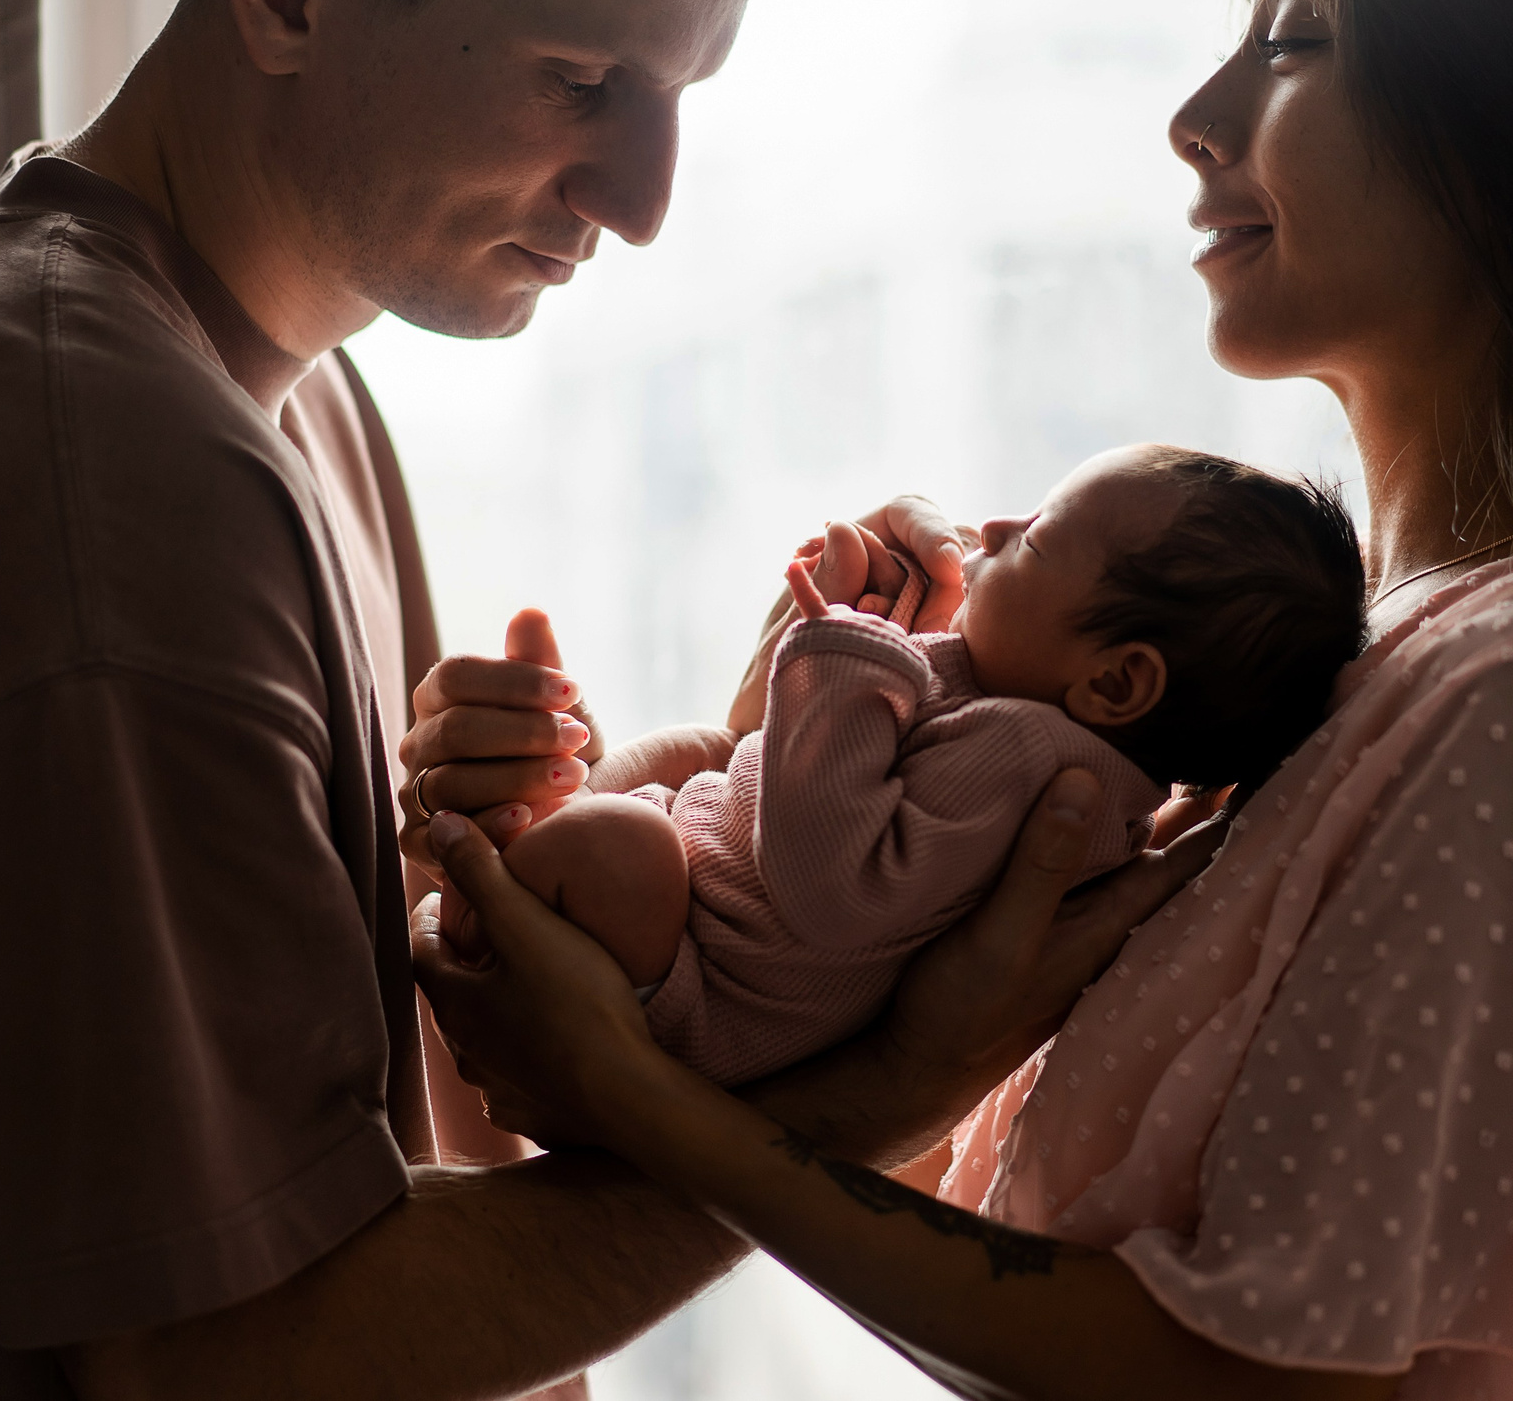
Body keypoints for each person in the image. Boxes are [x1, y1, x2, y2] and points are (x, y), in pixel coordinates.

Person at [0, 0, 1228, 1396]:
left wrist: (696, 819)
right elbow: (238, 1358)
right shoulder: (83, 471)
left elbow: (345, 1154)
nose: (645, 197)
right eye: (584, 80)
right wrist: (893, 1077)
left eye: (679, 94)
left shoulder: (283, 401)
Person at [408, 0, 1513, 1401]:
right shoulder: (1379, 683)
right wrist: (735, 789)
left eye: (1298, 41)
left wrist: (650, 1100)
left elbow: (1234, 1367)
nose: (1196, 111)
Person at [441, 446, 1364, 1088]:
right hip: (701, 915)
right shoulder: (1045, 730)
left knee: (624, 844)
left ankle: (506, 889)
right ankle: (529, 845)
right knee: (696, 754)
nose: (995, 525)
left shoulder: (1032, 757)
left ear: (1118, 682)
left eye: (1036, 537)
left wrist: (841, 657)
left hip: (697, 995)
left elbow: (831, 886)